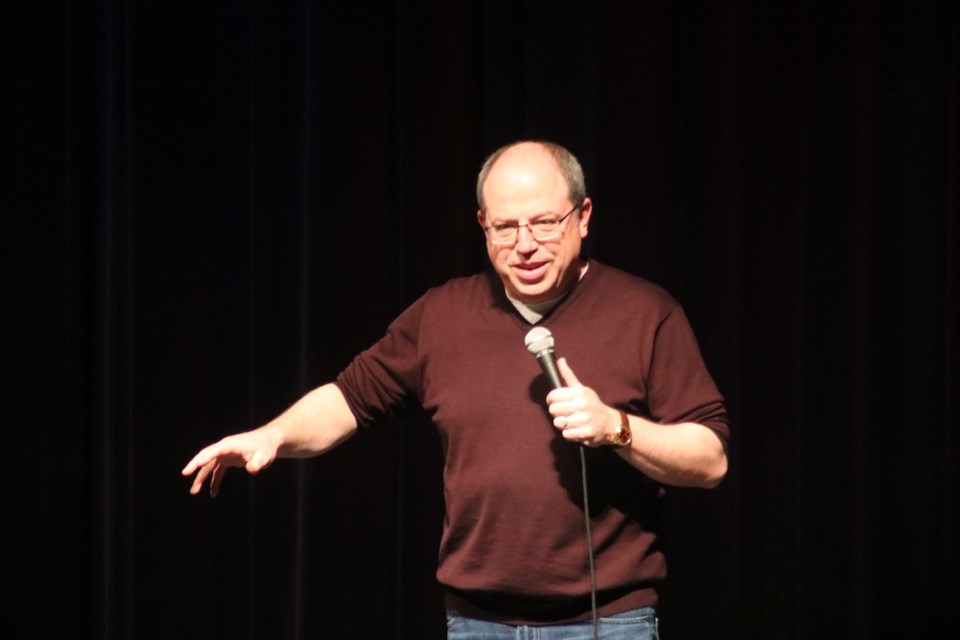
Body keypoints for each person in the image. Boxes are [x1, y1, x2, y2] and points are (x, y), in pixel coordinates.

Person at [182, 140, 729, 639]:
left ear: (583, 217)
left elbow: (711, 460)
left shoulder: (645, 313)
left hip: (609, 623)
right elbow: (350, 398)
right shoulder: (443, 314)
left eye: (544, 223)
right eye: (504, 227)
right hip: (476, 624)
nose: (525, 245)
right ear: (482, 226)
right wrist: (271, 437)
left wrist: (618, 428)